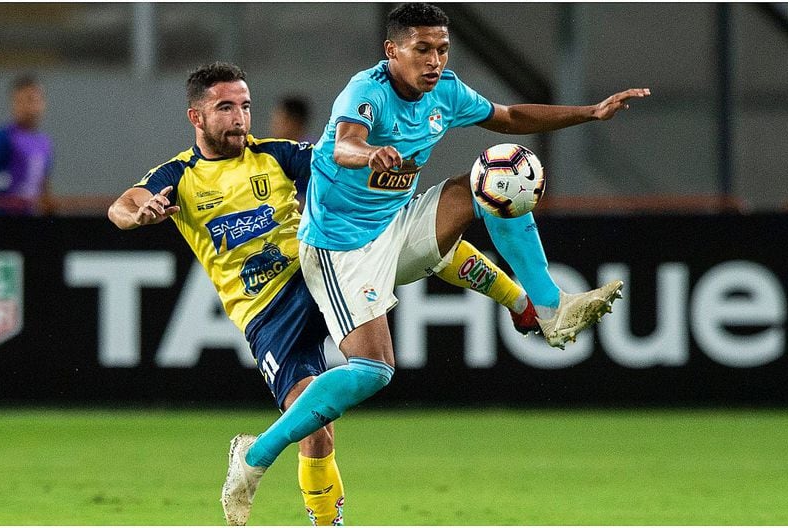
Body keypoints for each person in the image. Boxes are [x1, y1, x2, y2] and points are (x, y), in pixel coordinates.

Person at [221, 2, 650, 523]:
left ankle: (549, 305)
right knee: (373, 370)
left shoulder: (445, 91)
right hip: (341, 247)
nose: (435, 61)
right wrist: (370, 154)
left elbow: (509, 117)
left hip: (398, 224)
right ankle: (254, 457)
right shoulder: (365, 92)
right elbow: (345, 145)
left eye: (442, 49)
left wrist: (590, 112)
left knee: (498, 180)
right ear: (392, 51)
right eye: (422, 49)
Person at [107, 62, 540, 526]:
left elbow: (333, 168)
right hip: (267, 313)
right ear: (196, 117)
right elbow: (123, 205)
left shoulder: (276, 155)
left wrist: (374, 163)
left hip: (317, 273)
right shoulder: (180, 175)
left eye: (246, 106)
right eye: (226, 108)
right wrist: (140, 212)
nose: (239, 118)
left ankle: (522, 302)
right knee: (315, 429)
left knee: (409, 241)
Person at [0, 73, 55, 216]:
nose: (28, 107)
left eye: (33, 100)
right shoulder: (3, 136)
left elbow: (42, 183)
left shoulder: (44, 143)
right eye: (21, 101)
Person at [270, 96, 315, 209]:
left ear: (293, 122)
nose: (273, 125)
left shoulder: (312, 155)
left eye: (279, 120)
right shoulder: (276, 152)